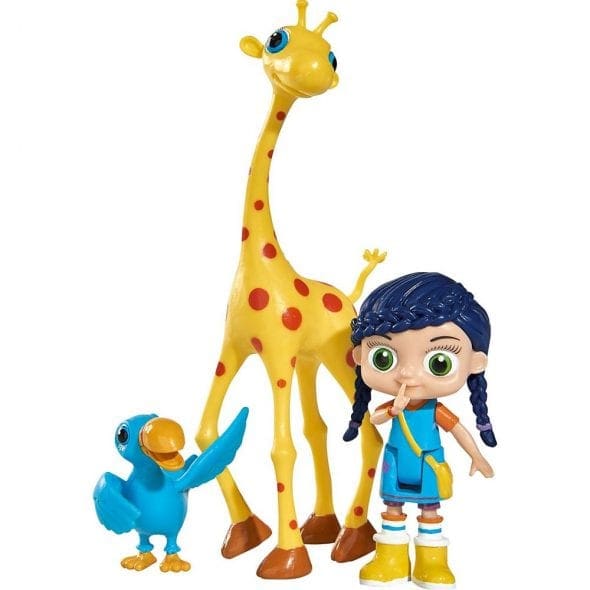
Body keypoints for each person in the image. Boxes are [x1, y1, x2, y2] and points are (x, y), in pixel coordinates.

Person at [343, 272, 496, 588]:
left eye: (439, 362)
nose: (408, 374)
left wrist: (477, 456)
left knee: (430, 511)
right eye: (383, 357)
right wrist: (393, 410)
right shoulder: (395, 404)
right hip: (396, 460)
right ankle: (391, 559)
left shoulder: (434, 410)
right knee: (392, 508)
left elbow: (458, 430)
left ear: (475, 362)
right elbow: (375, 419)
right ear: (359, 357)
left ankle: (431, 562)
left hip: (428, 461)